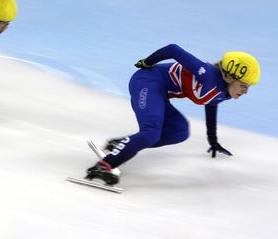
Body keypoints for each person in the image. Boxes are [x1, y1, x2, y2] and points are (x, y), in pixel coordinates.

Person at [85, 44, 261, 185]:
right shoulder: (207, 74)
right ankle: (103, 166)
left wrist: (213, 141)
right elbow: (173, 49)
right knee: (151, 132)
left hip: (160, 92)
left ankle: (124, 144)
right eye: (244, 85)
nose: (245, 92)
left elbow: (211, 104)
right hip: (147, 81)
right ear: (230, 77)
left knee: (180, 131)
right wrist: (147, 62)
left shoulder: (225, 92)